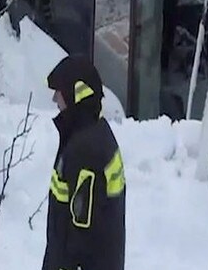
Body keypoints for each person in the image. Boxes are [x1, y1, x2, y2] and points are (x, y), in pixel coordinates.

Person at [42, 56, 126, 270]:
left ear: (76, 93)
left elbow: (82, 234)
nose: (54, 98)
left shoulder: (86, 151)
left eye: (59, 91)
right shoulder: (93, 134)